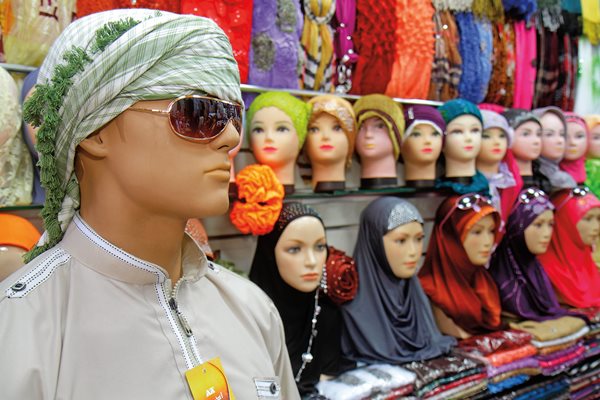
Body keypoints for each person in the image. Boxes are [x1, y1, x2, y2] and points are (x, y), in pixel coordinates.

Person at [0, 9, 299, 400]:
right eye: (197, 113)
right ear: (95, 131)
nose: (229, 138)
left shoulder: (253, 311)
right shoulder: (21, 331)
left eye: (234, 117)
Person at [249, 202, 344, 396]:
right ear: (269, 253)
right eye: (294, 249)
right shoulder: (249, 320)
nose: (311, 261)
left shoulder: (326, 314)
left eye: (319, 246)